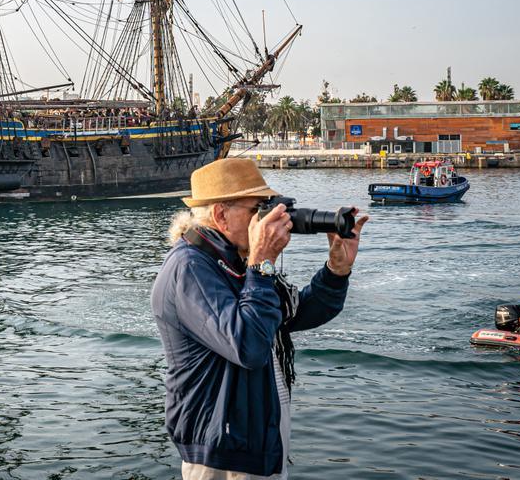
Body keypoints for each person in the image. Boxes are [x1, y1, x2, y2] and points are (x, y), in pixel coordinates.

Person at [150, 157, 369, 479]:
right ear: (221, 215)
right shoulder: (191, 268)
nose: (268, 220)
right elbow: (248, 346)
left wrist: (337, 270)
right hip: (223, 455)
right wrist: (262, 262)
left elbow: (297, 313)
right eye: (258, 209)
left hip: (255, 437)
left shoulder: (236, 263)